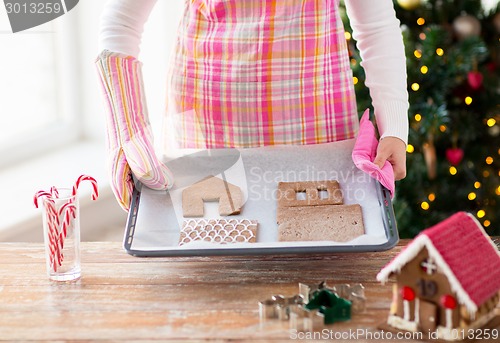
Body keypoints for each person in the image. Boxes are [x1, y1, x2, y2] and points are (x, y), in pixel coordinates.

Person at [96, 0, 408, 211]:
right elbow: (121, 23)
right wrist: (126, 131)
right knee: (212, 264)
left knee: (318, 258)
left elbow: (376, 26)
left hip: (314, 120)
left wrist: (394, 126)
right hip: (205, 123)